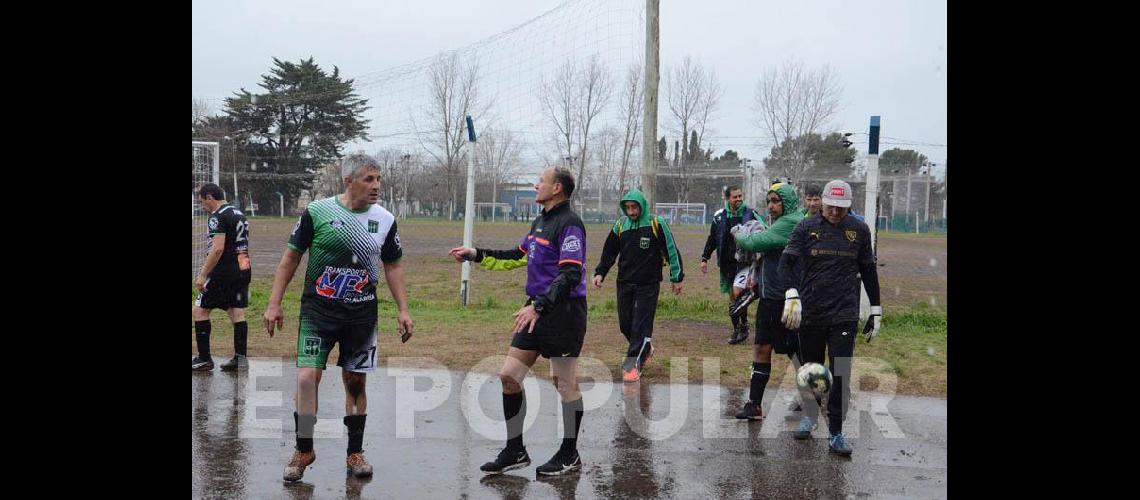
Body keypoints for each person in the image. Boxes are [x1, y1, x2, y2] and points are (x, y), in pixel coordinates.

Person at [263, 153, 415, 481]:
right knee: (306, 379)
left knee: (355, 381)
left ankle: (355, 453)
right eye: (368, 179)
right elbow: (290, 258)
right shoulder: (318, 212)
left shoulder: (385, 220)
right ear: (349, 181)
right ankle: (304, 449)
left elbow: (394, 265)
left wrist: (403, 309)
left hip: (361, 313)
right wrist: (274, 303)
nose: (376, 186)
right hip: (318, 310)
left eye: (378, 179)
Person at [448, 166, 588, 477]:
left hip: (563, 313)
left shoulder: (570, 224)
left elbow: (570, 274)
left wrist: (539, 306)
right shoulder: (540, 222)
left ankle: (570, 453)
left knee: (563, 383)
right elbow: (516, 256)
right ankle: (516, 450)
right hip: (535, 309)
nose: (536, 184)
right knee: (509, 376)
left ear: (558, 189)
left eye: (542, 181)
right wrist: (476, 254)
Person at [777, 179, 882, 456]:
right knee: (812, 369)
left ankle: (836, 432)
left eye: (841, 208)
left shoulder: (859, 230)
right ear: (822, 202)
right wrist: (791, 293)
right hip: (811, 311)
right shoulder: (806, 227)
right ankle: (810, 415)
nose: (835, 212)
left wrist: (876, 309)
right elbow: (785, 264)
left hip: (844, 313)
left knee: (841, 373)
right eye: (831, 206)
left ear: (849, 206)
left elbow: (869, 271)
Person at [592, 188, 684, 383]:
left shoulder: (656, 223)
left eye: (635, 207)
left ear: (642, 206)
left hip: (648, 284)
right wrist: (600, 272)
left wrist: (676, 276)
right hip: (624, 282)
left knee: (641, 325)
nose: (632, 212)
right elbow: (609, 251)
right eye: (628, 208)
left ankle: (633, 364)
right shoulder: (620, 225)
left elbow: (671, 250)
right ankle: (646, 348)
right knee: (625, 324)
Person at [730, 182, 804, 420]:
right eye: (769, 201)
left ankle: (812, 395)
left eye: (776, 201)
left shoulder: (790, 223)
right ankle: (754, 405)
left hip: (787, 299)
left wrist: (738, 232)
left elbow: (751, 243)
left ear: (788, 203)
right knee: (762, 348)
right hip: (770, 297)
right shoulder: (781, 222)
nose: (771, 206)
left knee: (797, 352)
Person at [192, 183, 252, 372]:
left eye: (202, 202)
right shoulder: (239, 214)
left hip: (223, 271)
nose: (203, 206)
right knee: (236, 312)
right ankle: (240, 359)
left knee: (199, 310)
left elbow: (217, 249)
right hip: (243, 267)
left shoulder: (217, 216)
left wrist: (202, 274)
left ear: (210, 197)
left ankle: (204, 358)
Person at [701, 186, 762, 344]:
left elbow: (763, 231)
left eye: (740, 196)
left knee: (737, 293)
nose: (739, 199)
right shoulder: (719, 217)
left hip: (744, 263)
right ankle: (738, 329)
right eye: (735, 197)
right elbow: (713, 238)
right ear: (728, 199)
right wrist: (704, 258)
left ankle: (744, 327)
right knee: (733, 298)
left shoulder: (750, 213)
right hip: (726, 263)